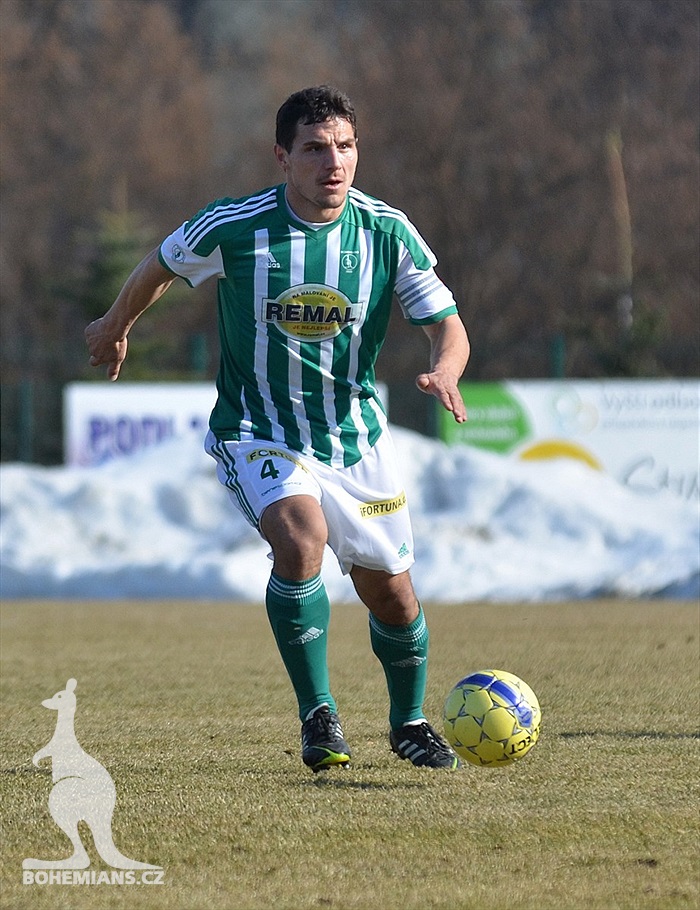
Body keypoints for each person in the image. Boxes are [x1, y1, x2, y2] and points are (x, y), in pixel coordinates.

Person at [85, 85, 470, 772]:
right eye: (316, 148)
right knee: (300, 539)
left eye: (345, 146)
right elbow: (160, 266)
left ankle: (409, 720)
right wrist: (116, 327)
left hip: (354, 439)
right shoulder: (235, 227)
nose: (334, 162)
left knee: (392, 591)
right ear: (282, 157)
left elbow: (447, 324)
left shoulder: (386, 232)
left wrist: (446, 368)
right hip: (257, 427)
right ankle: (318, 714)